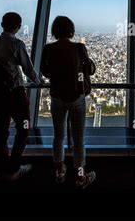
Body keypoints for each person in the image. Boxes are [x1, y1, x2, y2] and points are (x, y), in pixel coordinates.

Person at [0, 12, 40, 181]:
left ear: (2, 24)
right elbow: (28, 69)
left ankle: (2, 167)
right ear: (18, 27)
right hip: (15, 93)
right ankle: (13, 168)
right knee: (23, 128)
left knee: (1, 130)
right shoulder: (17, 44)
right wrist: (38, 81)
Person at [41, 16, 96, 189]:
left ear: (54, 31)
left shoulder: (48, 48)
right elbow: (91, 70)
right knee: (79, 140)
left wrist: (59, 75)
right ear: (71, 30)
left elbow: (45, 72)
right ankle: (80, 178)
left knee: (58, 136)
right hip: (76, 97)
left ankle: (59, 171)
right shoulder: (79, 47)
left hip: (57, 97)